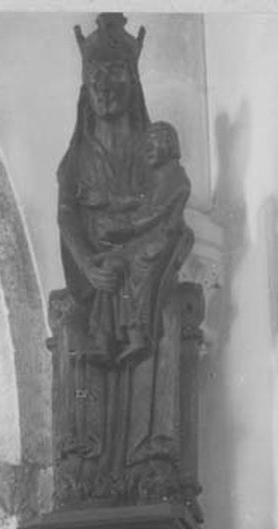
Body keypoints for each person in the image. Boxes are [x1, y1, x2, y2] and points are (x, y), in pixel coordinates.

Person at [88, 121, 194, 364]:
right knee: (110, 266)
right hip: (148, 240)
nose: (149, 147)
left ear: (169, 144)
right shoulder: (159, 179)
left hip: (160, 243)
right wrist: (110, 206)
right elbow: (140, 202)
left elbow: (153, 214)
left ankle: (139, 337)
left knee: (135, 264)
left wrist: (121, 229)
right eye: (147, 143)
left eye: (154, 141)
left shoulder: (177, 178)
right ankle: (103, 340)